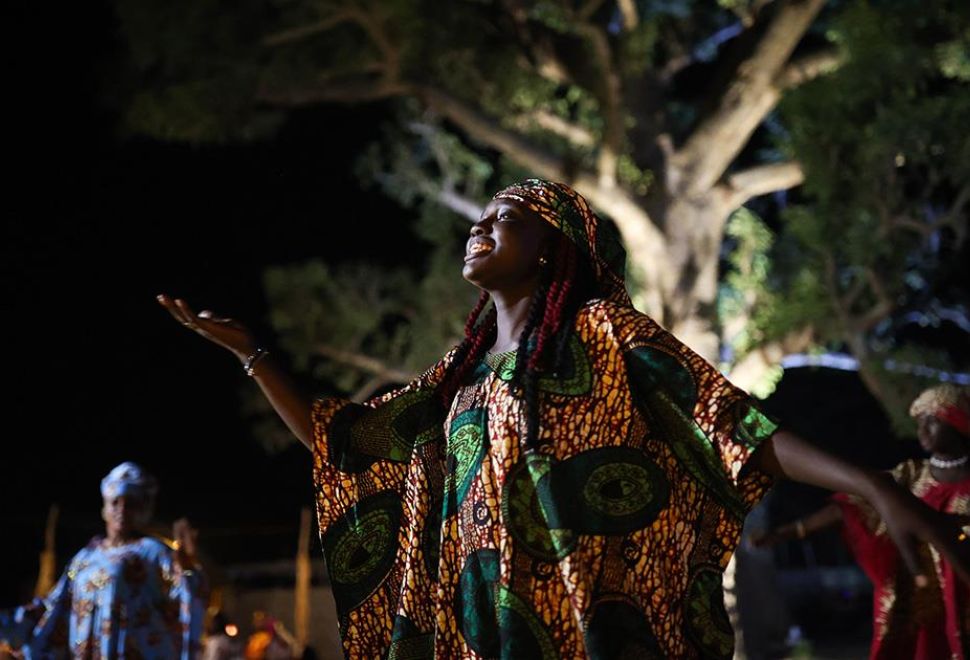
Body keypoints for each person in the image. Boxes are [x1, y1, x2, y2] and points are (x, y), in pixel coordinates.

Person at [158, 179, 969, 658]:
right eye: (479, 214)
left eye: (504, 215)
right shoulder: (459, 373)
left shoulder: (605, 335)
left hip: (580, 628)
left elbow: (728, 422)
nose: (480, 224)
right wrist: (251, 355)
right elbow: (347, 444)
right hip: (478, 633)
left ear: (551, 248)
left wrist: (873, 484)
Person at [755, 384, 970, 659]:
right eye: (920, 422)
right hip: (913, 603)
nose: (923, 431)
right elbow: (851, 505)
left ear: (958, 424)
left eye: (933, 421)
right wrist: (787, 532)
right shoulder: (910, 475)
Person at [0, 462, 206, 659]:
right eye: (115, 501)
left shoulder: (153, 552)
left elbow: (187, 595)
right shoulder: (84, 559)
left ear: (142, 510)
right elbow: (53, 607)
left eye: (131, 503)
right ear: (104, 508)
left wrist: (188, 568)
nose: (122, 510)